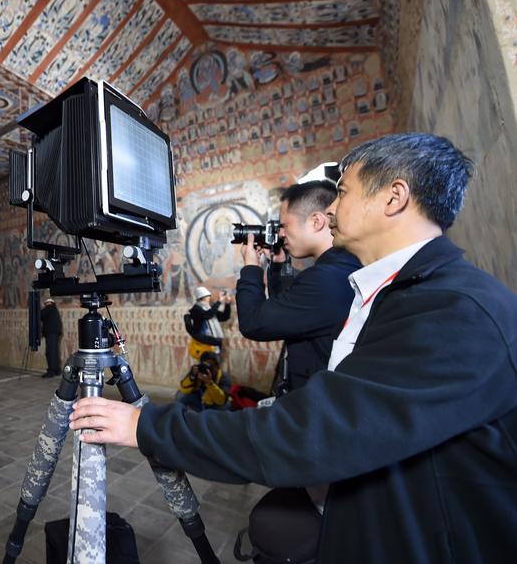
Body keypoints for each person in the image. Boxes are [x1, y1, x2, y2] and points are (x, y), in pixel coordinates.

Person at [69, 133, 517, 563]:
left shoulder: (455, 312)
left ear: (393, 197)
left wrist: (147, 427)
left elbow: (313, 432)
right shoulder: (401, 291)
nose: (333, 206)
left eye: (343, 192)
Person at [236, 180, 361, 393]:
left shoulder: (325, 279)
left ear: (316, 221)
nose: (281, 233)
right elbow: (290, 310)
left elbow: (252, 322)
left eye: (285, 225)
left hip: (316, 407)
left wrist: (250, 268)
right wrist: (279, 264)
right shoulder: (341, 268)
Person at [40, 297, 62, 378]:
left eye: (45, 304)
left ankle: (51, 371)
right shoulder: (54, 309)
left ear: (48, 303)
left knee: (50, 352)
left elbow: (40, 314)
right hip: (54, 333)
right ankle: (57, 370)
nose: (45, 305)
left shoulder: (49, 308)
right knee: (54, 352)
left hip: (51, 333)